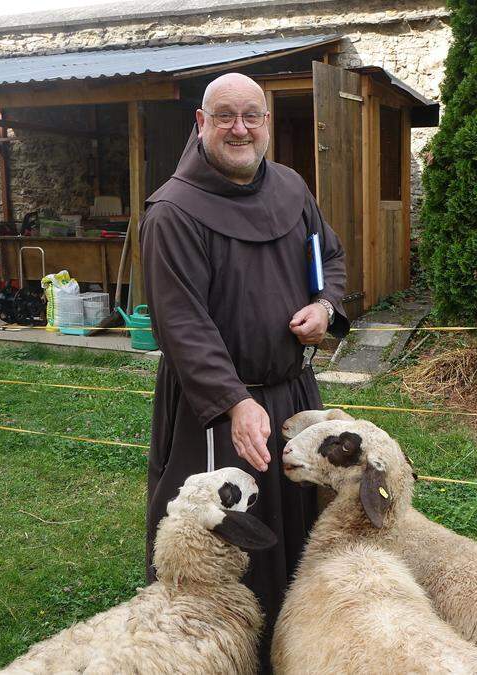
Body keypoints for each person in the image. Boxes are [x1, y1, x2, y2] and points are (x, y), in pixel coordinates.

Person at [140, 72, 350, 662]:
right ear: (201, 124)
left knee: (299, 527)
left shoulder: (290, 188)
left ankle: (295, 645)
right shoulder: (173, 213)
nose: (240, 128)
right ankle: (210, 658)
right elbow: (182, 325)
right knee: (219, 538)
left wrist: (325, 306)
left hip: (291, 392)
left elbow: (328, 256)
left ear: (266, 123)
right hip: (216, 409)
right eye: (225, 116)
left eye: (251, 116)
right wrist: (235, 401)